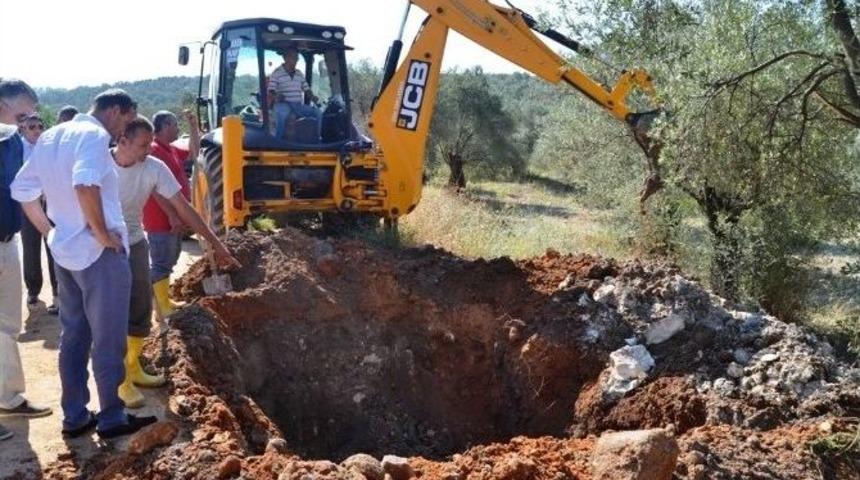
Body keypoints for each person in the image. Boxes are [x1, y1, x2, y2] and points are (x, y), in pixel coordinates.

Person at [12, 88, 156, 439]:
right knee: (108, 341)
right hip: (97, 256)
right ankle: (111, 417)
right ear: (118, 110)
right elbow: (85, 184)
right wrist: (103, 234)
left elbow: (22, 189)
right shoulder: (93, 135)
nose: (125, 129)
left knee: (73, 337)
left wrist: (50, 232)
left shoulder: (50, 137)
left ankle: (75, 416)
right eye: (127, 119)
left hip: (65, 254)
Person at [113, 116, 238, 408]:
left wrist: (215, 244)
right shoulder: (101, 167)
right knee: (112, 314)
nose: (148, 150)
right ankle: (120, 382)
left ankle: (133, 367)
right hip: (103, 246)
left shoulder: (154, 167)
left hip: (134, 239)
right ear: (122, 141)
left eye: (149, 145)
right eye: (143, 145)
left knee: (141, 309)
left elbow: (185, 208)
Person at [0, 80, 53, 440]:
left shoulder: (13, 144)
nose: (26, 122)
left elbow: (32, 187)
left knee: (7, 325)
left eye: (31, 117)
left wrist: (52, 231)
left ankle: (8, 396)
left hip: (7, 242)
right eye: (21, 115)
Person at [144, 110, 199, 317]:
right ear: (165, 126)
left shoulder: (171, 150)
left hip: (173, 218)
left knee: (169, 260)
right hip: (160, 219)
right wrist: (171, 214)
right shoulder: (154, 151)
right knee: (161, 262)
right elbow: (154, 188)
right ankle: (157, 306)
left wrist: (193, 127)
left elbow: (195, 152)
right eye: (175, 125)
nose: (178, 129)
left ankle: (163, 302)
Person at [18, 113, 58, 314]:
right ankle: (33, 290)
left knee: (54, 246)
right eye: (31, 126)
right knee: (31, 249)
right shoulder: (16, 149)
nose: (36, 130)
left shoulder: (49, 147)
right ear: (23, 129)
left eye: (39, 126)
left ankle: (58, 293)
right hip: (28, 206)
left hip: (50, 204)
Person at [267, 48, 321, 140]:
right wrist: (277, 96)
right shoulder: (277, 73)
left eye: (297, 58)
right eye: (293, 57)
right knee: (281, 114)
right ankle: (277, 141)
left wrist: (312, 97)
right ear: (285, 58)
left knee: (318, 113)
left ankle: (317, 139)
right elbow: (271, 90)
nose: (296, 60)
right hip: (283, 104)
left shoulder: (299, 74)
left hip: (297, 106)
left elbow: (306, 89)